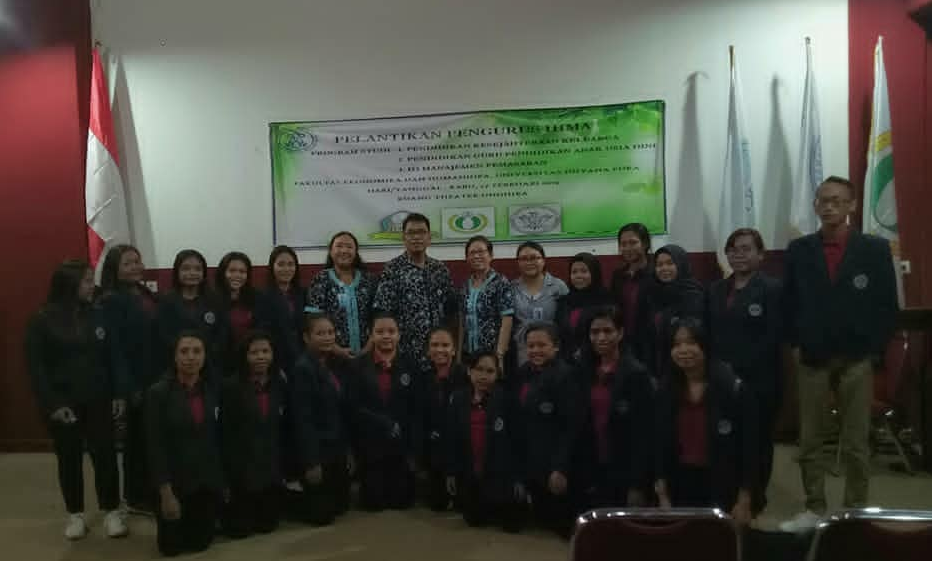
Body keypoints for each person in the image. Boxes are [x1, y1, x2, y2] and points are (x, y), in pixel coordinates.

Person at [779, 176, 899, 533]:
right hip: (813, 357)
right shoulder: (799, 250)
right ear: (815, 205)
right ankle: (814, 507)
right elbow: (788, 302)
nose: (829, 206)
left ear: (852, 205)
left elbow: (886, 305)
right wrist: (796, 344)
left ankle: (855, 510)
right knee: (810, 440)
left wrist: (873, 348)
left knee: (856, 442)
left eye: (837, 200)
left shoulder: (874, 249)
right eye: (823, 200)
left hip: (856, 358)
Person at [25, 259, 128, 540]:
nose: (92, 285)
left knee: (105, 456)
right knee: (69, 459)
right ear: (69, 285)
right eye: (86, 280)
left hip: (99, 398)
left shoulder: (99, 314)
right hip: (63, 404)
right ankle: (75, 514)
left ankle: (111, 511)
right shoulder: (41, 320)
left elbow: (114, 357)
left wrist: (119, 392)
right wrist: (53, 404)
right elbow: (36, 368)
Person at [654, 317, 757, 526]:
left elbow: (750, 449)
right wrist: (662, 493)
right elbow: (658, 445)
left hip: (721, 483)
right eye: (676, 344)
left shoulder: (732, 388)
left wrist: (745, 499)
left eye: (691, 342)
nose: (683, 350)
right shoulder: (665, 388)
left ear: (705, 345)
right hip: (680, 481)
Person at [708, 228, 783, 514]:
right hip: (721, 379)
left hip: (758, 380)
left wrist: (739, 369)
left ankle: (756, 498)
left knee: (758, 441)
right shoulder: (716, 289)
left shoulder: (773, 289)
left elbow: (773, 338)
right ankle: (730, 493)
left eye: (746, 249)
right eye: (733, 249)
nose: (738, 254)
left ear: (760, 254)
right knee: (728, 438)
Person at [146, 331, 225, 557]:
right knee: (171, 549)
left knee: (200, 544)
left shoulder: (214, 388)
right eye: (184, 351)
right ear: (174, 356)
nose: (191, 357)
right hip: (175, 483)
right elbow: (155, 447)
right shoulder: (158, 393)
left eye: (197, 351)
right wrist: (166, 493)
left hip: (205, 482)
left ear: (205, 356)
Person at [574, 307, 655, 513]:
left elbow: (644, 434)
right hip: (592, 466)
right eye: (595, 332)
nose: (601, 337)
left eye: (607, 331)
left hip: (624, 468)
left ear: (620, 333)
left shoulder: (637, 374)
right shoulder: (583, 370)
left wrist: (637, 484)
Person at [98, 244, 159, 513]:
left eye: (137, 261)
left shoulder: (145, 293)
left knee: (151, 438)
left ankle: (150, 489)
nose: (135, 266)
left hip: (154, 376)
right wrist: (127, 388)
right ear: (115, 269)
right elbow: (115, 349)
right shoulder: (111, 300)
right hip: (134, 381)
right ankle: (135, 496)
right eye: (128, 263)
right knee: (136, 441)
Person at [508, 322, 581, 538]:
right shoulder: (522, 372)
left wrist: (560, 468)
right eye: (531, 346)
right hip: (529, 459)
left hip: (554, 462)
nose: (535, 350)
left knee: (561, 527)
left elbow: (570, 427)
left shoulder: (566, 376)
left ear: (556, 347)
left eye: (542, 345)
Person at [445, 351, 525, 533]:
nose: (483, 376)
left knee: (512, 526)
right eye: (479, 369)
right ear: (469, 371)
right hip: (472, 474)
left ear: (497, 374)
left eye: (490, 371)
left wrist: (518, 478)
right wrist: (451, 472)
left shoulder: (507, 400)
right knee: (474, 521)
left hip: (501, 476)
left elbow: (519, 442)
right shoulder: (458, 399)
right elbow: (452, 439)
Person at [219, 330, 287, 537]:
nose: (260, 357)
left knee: (268, 527)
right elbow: (225, 434)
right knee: (239, 531)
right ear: (245, 356)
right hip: (242, 468)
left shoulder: (280, 382)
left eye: (265, 351)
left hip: (271, 466)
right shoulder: (230, 387)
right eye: (254, 352)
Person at [289, 313, 355, 525]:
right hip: (318, 451)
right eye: (320, 333)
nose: (327, 337)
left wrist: (348, 450)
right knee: (322, 517)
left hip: (337, 446)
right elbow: (302, 421)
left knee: (342, 507)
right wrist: (311, 462)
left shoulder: (336, 363)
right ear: (306, 337)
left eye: (330, 332)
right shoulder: (302, 369)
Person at [353, 312, 422, 511]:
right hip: (371, 445)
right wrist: (382, 423)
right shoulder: (358, 366)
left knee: (402, 503)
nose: (386, 336)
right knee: (373, 504)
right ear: (371, 335)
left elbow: (417, 409)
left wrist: (413, 451)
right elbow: (354, 407)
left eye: (391, 331)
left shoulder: (410, 365)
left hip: (401, 445)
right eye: (380, 331)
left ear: (399, 335)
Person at [373, 213, 457, 374]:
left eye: (421, 232)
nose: (416, 237)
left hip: (438, 354)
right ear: (403, 238)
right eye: (411, 233)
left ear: (429, 238)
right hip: (405, 353)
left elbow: (451, 312)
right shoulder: (392, 269)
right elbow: (383, 312)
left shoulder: (440, 269)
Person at [306, 232, 377, 358]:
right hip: (330, 355)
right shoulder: (321, 279)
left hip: (367, 354)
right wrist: (337, 350)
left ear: (355, 252)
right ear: (331, 251)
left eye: (349, 247)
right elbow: (313, 319)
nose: (344, 250)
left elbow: (377, 316)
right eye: (339, 246)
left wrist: (368, 348)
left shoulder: (369, 279)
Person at [157, 249, 228, 373]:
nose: (192, 273)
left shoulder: (215, 299)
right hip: (176, 365)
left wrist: (204, 354)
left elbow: (222, 332)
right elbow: (163, 334)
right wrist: (184, 355)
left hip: (211, 363)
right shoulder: (166, 301)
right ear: (177, 272)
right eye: (186, 269)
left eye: (197, 269)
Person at [642, 244, 706, 379]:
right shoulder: (653, 293)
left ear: (681, 264)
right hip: (656, 366)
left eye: (670, 263)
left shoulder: (693, 294)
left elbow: (693, 336)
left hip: (685, 366)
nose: (664, 268)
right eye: (659, 265)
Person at [424, 327, 468, 511]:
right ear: (428, 350)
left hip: (460, 447)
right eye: (435, 345)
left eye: (445, 345)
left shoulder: (466, 376)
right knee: (437, 505)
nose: (440, 349)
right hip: (435, 445)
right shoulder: (424, 377)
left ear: (454, 350)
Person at [510, 241, 568, 369]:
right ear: (518, 262)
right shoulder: (511, 288)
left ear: (543, 260)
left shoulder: (558, 286)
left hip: (551, 348)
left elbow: (566, 321)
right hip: (523, 349)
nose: (529, 262)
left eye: (534, 258)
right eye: (524, 259)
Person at [460, 235, 514, 362]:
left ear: (491, 255)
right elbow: (462, 321)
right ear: (467, 258)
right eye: (472, 253)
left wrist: (499, 355)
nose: (476, 256)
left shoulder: (501, 282)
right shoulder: (465, 286)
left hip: (492, 353)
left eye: (481, 252)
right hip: (469, 353)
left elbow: (507, 320)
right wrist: (458, 355)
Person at [609, 223, 655, 362]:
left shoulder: (656, 274)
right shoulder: (618, 276)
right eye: (623, 244)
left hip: (651, 345)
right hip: (623, 345)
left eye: (633, 243)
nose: (628, 248)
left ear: (645, 244)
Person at [555, 252, 612, 362]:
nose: (578, 276)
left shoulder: (606, 300)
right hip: (567, 361)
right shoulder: (564, 302)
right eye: (574, 272)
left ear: (594, 273)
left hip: (597, 360)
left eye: (584, 271)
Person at [261, 245, 305, 373]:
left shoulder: (303, 294)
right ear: (272, 267)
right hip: (278, 360)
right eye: (281, 264)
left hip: (303, 358)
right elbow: (264, 334)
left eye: (291, 264)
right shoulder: (263, 297)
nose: (286, 269)